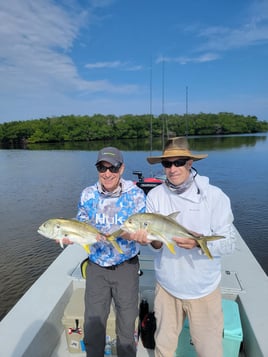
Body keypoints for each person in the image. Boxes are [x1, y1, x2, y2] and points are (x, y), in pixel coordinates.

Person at [136, 137, 236, 357]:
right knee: (163, 347)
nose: (172, 169)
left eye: (179, 162)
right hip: (167, 287)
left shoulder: (214, 196)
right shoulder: (155, 196)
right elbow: (156, 245)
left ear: (190, 163)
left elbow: (229, 243)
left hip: (203, 289)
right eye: (167, 163)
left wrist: (198, 245)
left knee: (209, 350)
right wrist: (150, 239)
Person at [70, 147, 146, 357]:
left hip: (126, 268)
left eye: (112, 167)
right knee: (93, 323)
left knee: (126, 323)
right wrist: (70, 235)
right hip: (96, 267)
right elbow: (80, 223)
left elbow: (144, 231)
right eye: (101, 167)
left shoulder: (136, 195)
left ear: (121, 168)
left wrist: (135, 235)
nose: (107, 173)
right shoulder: (87, 194)